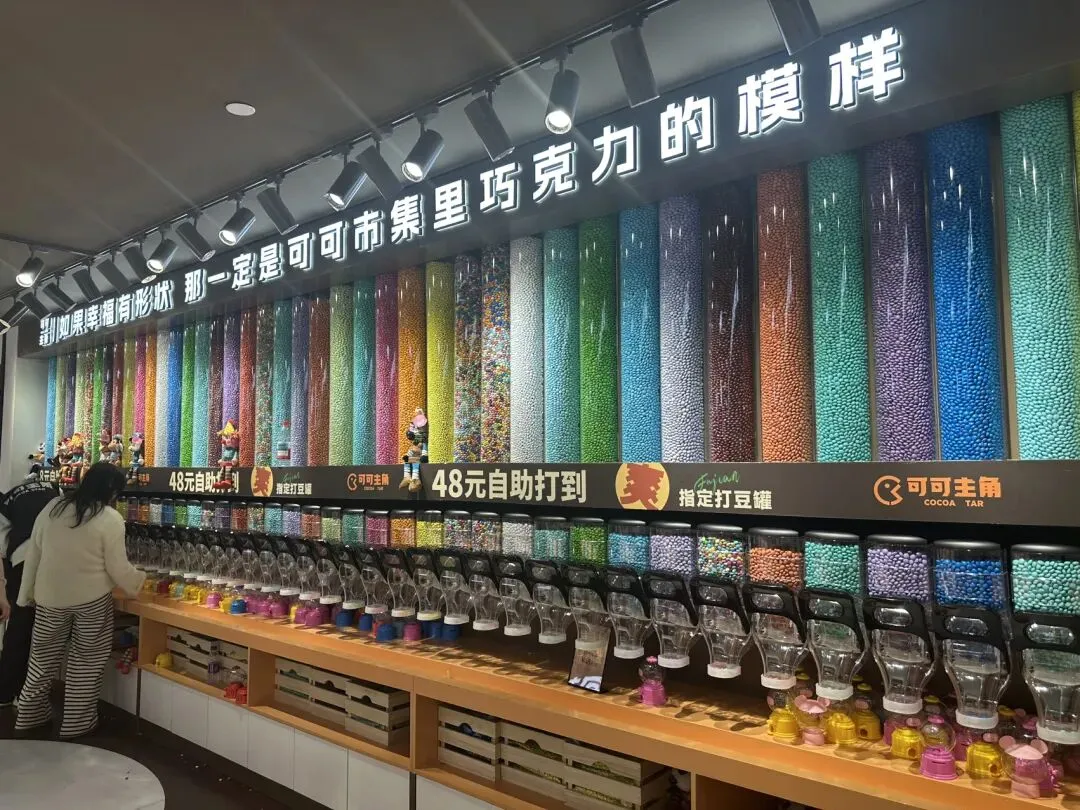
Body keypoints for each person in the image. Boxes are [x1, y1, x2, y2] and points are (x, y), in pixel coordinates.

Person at [15, 462, 145, 738]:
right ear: (111, 490)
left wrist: (26, 593)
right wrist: (138, 583)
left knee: (41, 659)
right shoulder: (109, 518)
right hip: (91, 600)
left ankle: (28, 716)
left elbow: (34, 553)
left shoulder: (53, 507)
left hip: (50, 596)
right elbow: (117, 567)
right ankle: (77, 723)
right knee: (86, 662)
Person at [0, 478, 61, 706]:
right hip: (54, 560)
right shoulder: (55, 489)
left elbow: (1, 549)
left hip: (23, 561)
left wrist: (3, 593)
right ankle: (29, 695)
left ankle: (8, 692)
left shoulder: (8, 500)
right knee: (45, 630)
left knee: (20, 625)